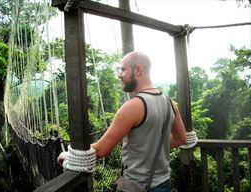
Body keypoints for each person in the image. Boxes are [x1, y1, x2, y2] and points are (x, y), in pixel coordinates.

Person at [58, 51, 187, 191]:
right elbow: (181, 138)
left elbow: (101, 150)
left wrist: (69, 156)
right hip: (164, 183)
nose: (119, 75)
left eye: (123, 69)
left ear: (138, 69)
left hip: (138, 186)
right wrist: (150, 144)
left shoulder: (133, 107)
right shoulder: (169, 103)